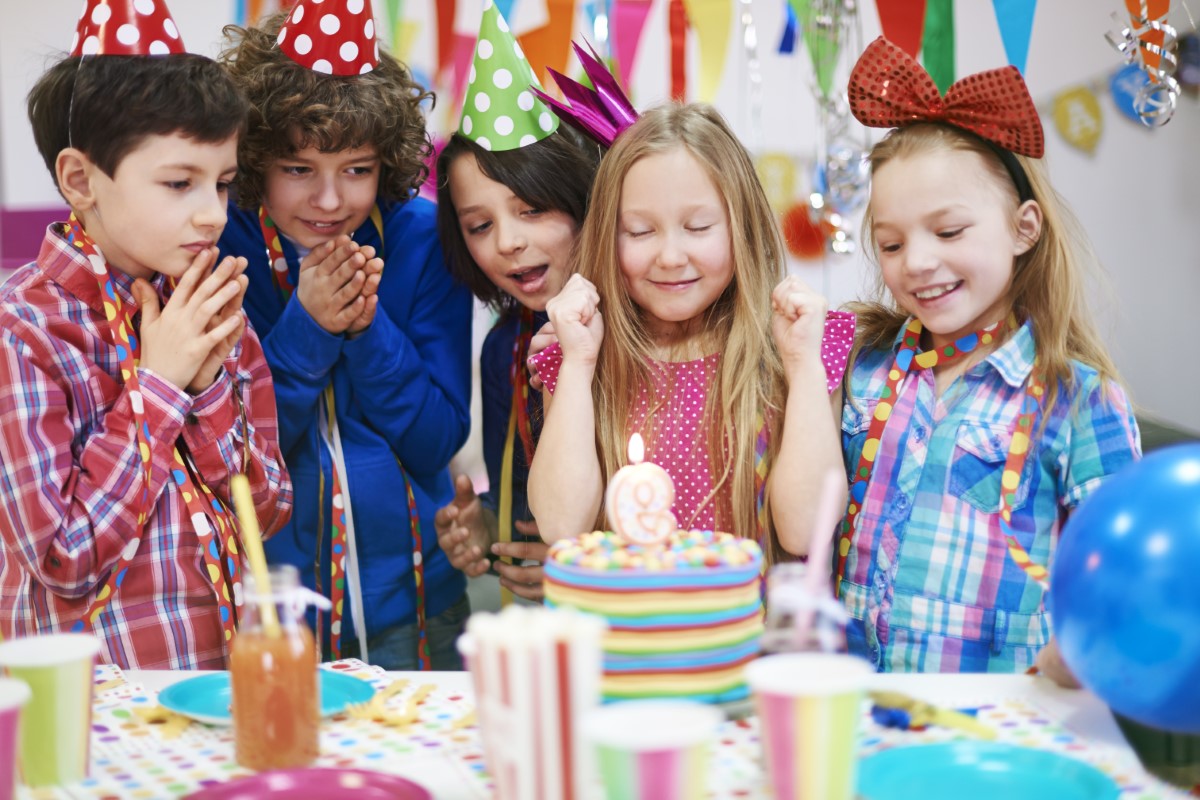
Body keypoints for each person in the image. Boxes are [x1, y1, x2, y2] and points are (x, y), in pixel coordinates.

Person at [834, 38, 1141, 681]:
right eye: (890, 244)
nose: (917, 261)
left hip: (1002, 728)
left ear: (1024, 228)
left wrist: (1086, 649)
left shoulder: (1079, 397)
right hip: (860, 718)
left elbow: (1126, 574)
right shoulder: (860, 371)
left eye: (948, 232)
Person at [0, 0, 291, 669]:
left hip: (223, 688)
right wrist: (158, 385)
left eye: (222, 184)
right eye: (178, 183)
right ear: (81, 181)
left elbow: (268, 513)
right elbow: (63, 559)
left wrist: (211, 381)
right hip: (94, 716)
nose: (213, 215)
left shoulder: (209, 303)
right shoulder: (24, 329)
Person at [217, 0, 472, 670]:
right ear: (253, 162)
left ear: (385, 164)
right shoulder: (221, 245)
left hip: (423, 604)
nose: (330, 201)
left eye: (356, 169)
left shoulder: (421, 237)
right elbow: (238, 454)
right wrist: (307, 327)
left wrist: (365, 326)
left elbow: (438, 439)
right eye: (299, 169)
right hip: (276, 607)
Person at [526, 101, 855, 561]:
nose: (671, 256)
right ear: (607, 235)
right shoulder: (578, 354)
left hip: (747, 630)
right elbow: (561, 526)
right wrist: (579, 364)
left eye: (698, 227)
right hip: (622, 630)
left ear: (742, 226)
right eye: (640, 232)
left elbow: (805, 531)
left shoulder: (800, 349)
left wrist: (802, 367)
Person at [433, 5, 600, 603]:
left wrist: (582, 558)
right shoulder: (506, 346)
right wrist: (489, 522)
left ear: (583, 199)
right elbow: (526, 497)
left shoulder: (647, 330)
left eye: (532, 209)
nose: (508, 241)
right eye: (479, 225)